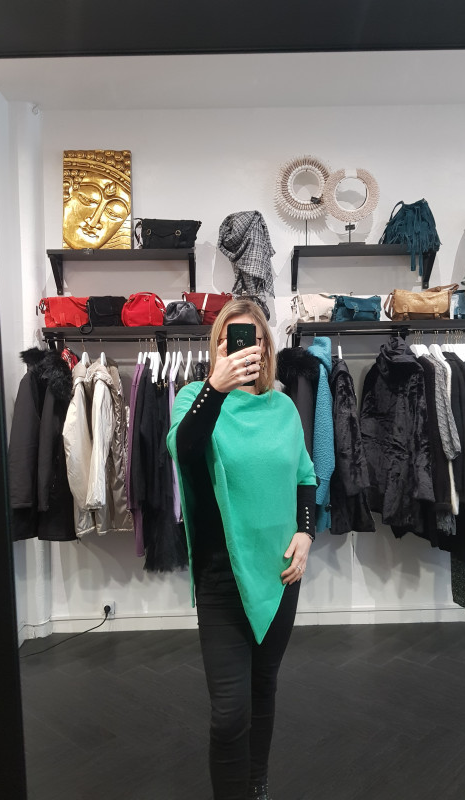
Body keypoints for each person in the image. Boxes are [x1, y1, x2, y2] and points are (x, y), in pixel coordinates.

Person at [166, 298, 317, 800]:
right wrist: (216, 387)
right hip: (221, 576)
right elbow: (184, 450)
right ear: (217, 348)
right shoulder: (194, 396)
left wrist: (306, 533)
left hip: (279, 574)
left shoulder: (284, 408)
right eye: (230, 340)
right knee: (230, 714)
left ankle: (257, 785)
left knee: (264, 687)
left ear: (265, 348)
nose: (242, 349)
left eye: (251, 340)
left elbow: (305, 477)